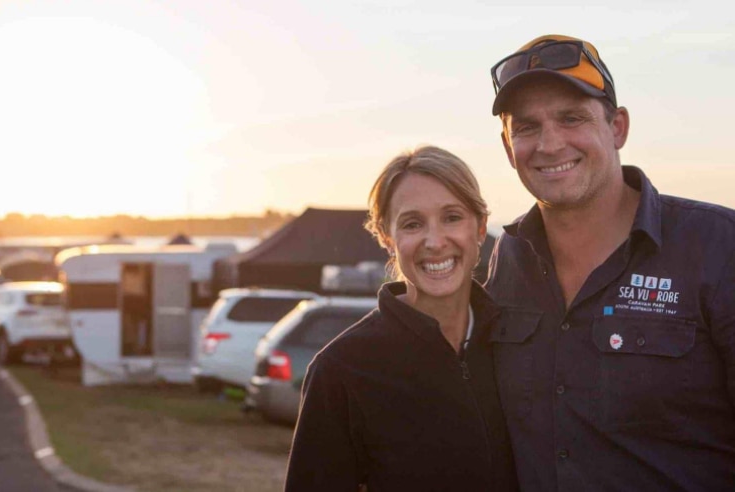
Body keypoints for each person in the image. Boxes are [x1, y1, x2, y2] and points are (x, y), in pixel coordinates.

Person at [486, 34, 735, 491]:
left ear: (617, 127)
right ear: (507, 147)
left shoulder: (719, 246)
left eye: (571, 118)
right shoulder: (509, 259)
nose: (550, 143)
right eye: (526, 127)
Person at [285, 146, 518, 491]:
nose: (435, 241)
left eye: (452, 217)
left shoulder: (517, 345)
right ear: (387, 239)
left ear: (481, 228)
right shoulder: (341, 372)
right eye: (412, 224)